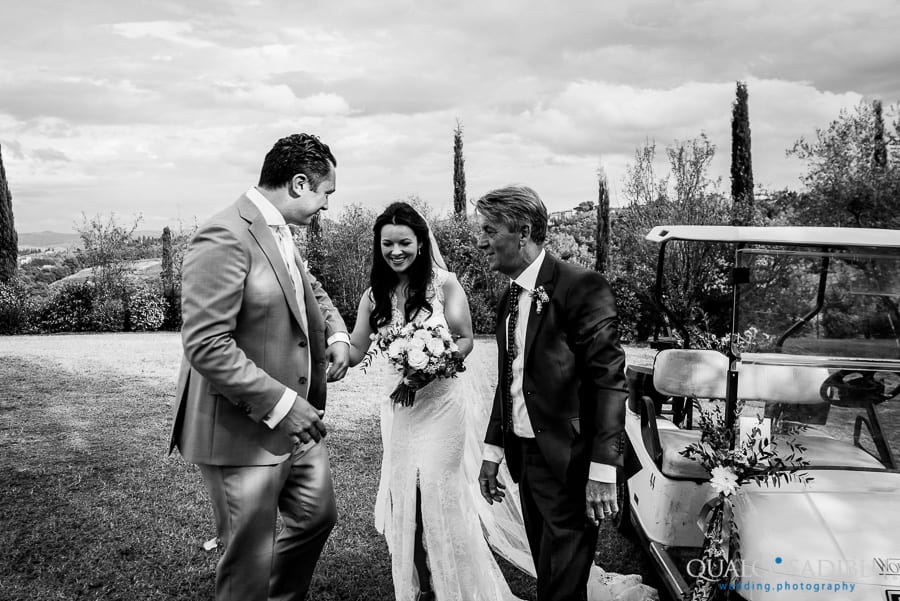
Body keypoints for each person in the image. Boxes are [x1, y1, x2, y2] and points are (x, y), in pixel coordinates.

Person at [169, 133, 351, 601]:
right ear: (297, 183)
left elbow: (307, 287)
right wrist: (283, 403)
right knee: (247, 558)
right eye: (325, 193)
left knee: (316, 516)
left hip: (297, 427)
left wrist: (334, 334)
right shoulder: (223, 235)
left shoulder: (279, 230)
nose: (326, 206)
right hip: (242, 428)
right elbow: (207, 345)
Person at [346, 201, 522, 601]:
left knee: (437, 492)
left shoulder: (445, 284)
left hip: (442, 406)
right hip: (400, 411)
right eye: (387, 244)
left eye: (404, 242)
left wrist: (432, 364)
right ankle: (423, 584)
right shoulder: (374, 295)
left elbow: (464, 338)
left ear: (421, 243)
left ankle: (454, 584)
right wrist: (330, 349)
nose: (395, 251)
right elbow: (356, 349)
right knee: (405, 492)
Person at [476, 185, 628, 601]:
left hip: (572, 460)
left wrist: (603, 469)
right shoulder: (510, 296)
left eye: (490, 230)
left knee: (562, 582)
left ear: (522, 231)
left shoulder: (582, 287)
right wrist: (493, 452)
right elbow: (511, 379)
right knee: (551, 574)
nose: (481, 240)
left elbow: (610, 382)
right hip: (527, 458)